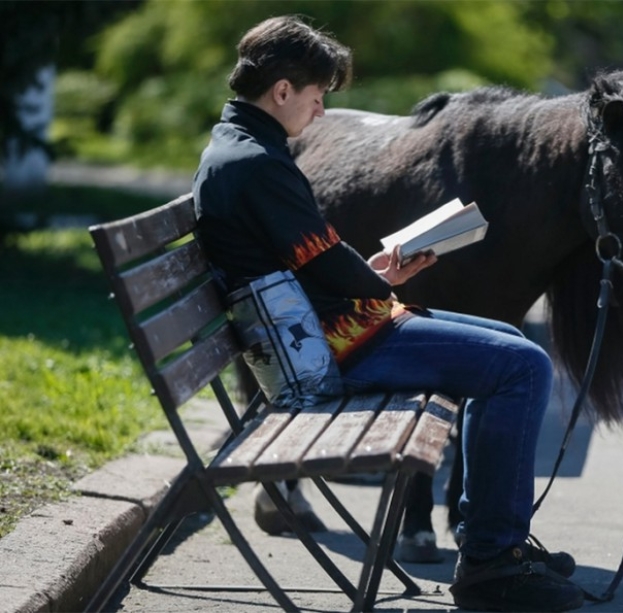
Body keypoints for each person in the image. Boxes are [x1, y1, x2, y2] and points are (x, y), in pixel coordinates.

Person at [193, 15, 584, 612]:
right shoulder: (257, 165)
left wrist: (379, 276)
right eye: (318, 97)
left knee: (510, 343)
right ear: (282, 92)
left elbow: (315, 255)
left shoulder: (243, 149)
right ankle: (488, 561)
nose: (320, 112)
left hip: (327, 328)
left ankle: (492, 538)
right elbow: (321, 259)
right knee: (522, 367)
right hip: (326, 350)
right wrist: (376, 281)